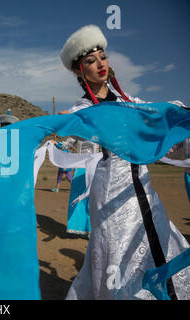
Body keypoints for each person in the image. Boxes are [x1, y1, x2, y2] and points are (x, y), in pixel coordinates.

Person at [59, 25, 189, 299]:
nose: (100, 64)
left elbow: (154, 118)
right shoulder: (83, 110)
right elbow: (78, 143)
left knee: (160, 240)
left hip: (142, 185)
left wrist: (177, 115)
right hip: (110, 194)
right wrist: (67, 126)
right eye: (90, 61)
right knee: (120, 257)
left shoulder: (129, 101)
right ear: (78, 70)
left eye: (103, 57)